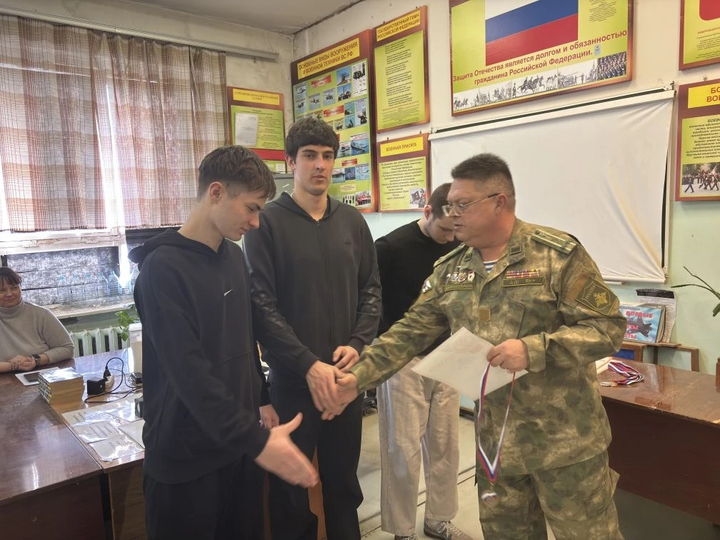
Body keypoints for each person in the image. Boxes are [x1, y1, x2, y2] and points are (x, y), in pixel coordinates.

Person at [337, 153, 627, 540]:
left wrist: (534, 350)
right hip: (498, 449)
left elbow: (607, 327)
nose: (452, 214)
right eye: (449, 205)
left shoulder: (556, 256)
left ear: (498, 202)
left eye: (462, 204)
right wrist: (356, 377)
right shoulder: (451, 269)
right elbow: (409, 332)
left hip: (565, 445)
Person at [129, 145, 317, 540]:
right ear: (216, 192)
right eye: (251, 208)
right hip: (185, 460)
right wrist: (259, 442)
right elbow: (189, 373)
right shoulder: (162, 270)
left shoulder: (232, 257)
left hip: (235, 448)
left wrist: (261, 397)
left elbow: (245, 338)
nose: (256, 222)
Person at [244, 116, 381, 540]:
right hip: (294, 382)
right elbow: (261, 306)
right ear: (291, 162)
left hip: (344, 380)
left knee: (344, 486)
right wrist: (307, 364)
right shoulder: (266, 223)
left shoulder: (352, 222)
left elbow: (371, 291)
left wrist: (358, 343)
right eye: (309, 156)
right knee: (290, 493)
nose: (320, 165)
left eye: (327, 156)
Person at [374, 183, 473, 540]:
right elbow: (370, 301)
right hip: (404, 362)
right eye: (444, 229)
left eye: (456, 231)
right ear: (427, 212)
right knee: (402, 449)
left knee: (446, 445)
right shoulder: (389, 248)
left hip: (447, 357)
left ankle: (438, 520)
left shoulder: (460, 245)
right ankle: (402, 530)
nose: (450, 238)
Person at [0, 267, 74, 373]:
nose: (9, 294)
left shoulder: (41, 314)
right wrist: (12, 366)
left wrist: (35, 360)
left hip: (41, 374)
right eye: (2, 290)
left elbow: (67, 348)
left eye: (14, 288)